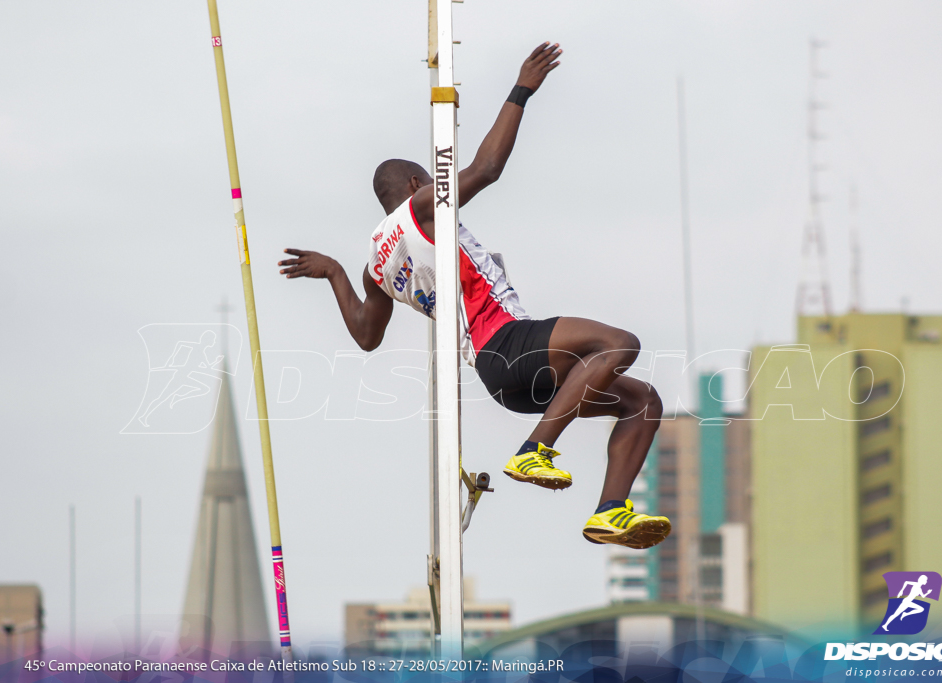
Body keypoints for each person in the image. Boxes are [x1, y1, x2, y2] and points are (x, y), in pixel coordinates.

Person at [277, 43, 670, 549]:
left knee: (641, 401)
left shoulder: (376, 263)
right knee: (620, 344)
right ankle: (534, 450)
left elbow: (367, 336)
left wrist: (332, 271)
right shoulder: (423, 205)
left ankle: (609, 512)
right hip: (509, 342)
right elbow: (485, 169)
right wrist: (522, 90)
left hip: (505, 384)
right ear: (421, 182)